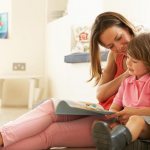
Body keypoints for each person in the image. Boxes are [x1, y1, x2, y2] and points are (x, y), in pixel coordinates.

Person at [0, 11, 139, 150]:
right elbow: (100, 94)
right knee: (51, 106)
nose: (119, 47)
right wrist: (127, 73)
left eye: (119, 38)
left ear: (126, 27)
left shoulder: (145, 53)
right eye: (110, 46)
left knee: (51, 133)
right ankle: (2, 136)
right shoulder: (115, 55)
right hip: (103, 110)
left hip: (115, 119)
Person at [92, 32, 150, 150]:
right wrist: (113, 116)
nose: (128, 63)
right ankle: (122, 143)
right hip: (129, 128)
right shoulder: (126, 82)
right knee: (113, 125)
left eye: (134, 61)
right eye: (128, 57)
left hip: (146, 127)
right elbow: (115, 106)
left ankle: (116, 142)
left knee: (136, 120)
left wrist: (135, 112)